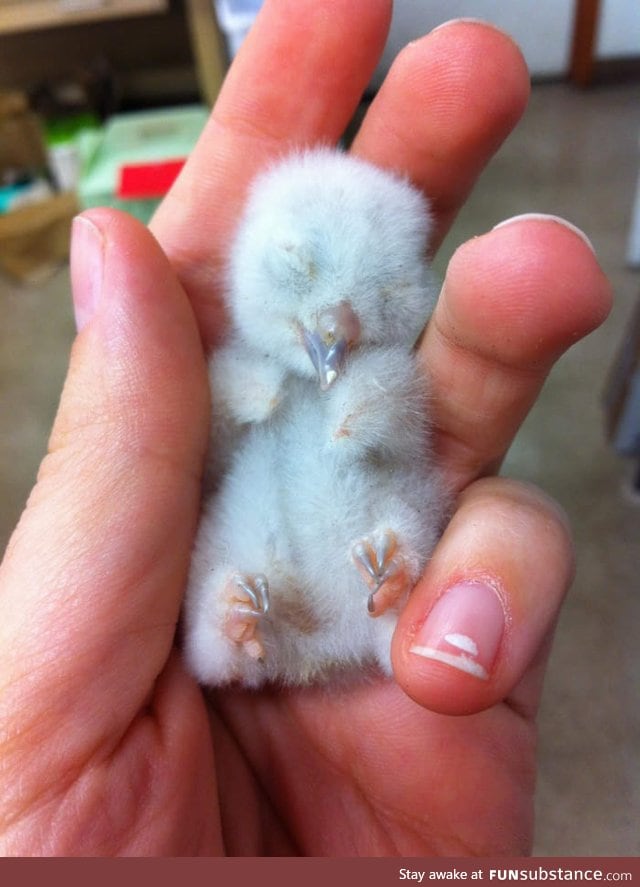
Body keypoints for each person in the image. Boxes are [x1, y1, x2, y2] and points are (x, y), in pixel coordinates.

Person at [0, 1, 612, 856]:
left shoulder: (385, 374)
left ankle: (380, 586)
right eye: (301, 274)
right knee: (238, 544)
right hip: (265, 578)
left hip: (354, 597)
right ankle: (242, 618)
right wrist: (242, 400)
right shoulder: (231, 371)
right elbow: (211, 452)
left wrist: (366, 407)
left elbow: (396, 437)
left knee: (397, 509)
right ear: (260, 260)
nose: (334, 325)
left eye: (380, 300)